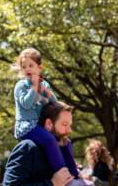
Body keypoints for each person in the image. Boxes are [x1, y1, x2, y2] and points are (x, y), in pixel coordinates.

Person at [12, 48, 79, 180]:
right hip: (26, 126)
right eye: (24, 66)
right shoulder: (21, 86)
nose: (27, 69)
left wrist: (47, 92)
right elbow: (26, 104)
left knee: (66, 142)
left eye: (31, 65)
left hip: (39, 126)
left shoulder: (44, 84)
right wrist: (34, 87)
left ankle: (75, 176)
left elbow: (53, 105)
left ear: (39, 68)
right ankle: (63, 175)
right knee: (49, 140)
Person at [3, 101, 79, 186]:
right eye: (64, 124)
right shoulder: (28, 148)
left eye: (70, 125)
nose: (69, 130)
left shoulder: (61, 152)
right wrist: (52, 183)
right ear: (49, 124)